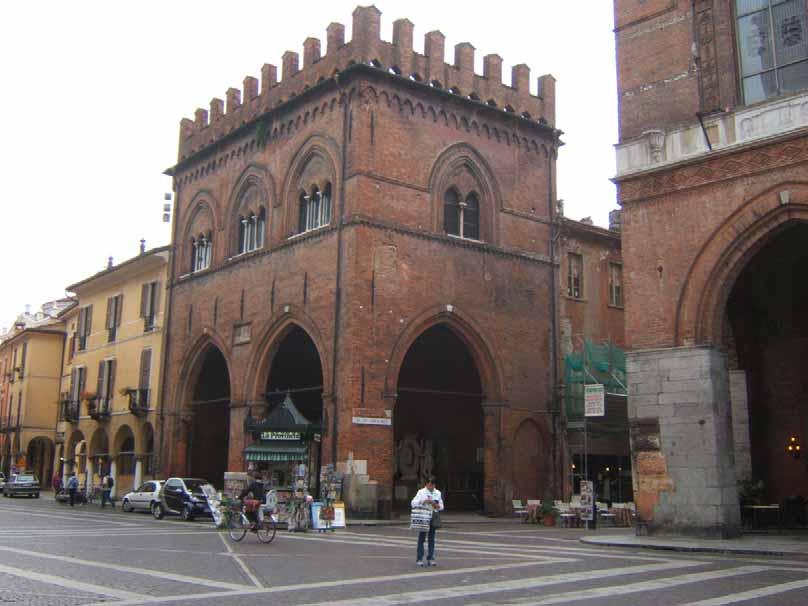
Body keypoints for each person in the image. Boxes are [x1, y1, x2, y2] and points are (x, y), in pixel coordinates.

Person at [411, 475, 444, 567]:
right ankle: (419, 558)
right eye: (429, 485)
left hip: (433, 516)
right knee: (421, 538)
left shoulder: (438, 493)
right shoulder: (421, 492)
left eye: (432, 485)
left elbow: (441, 507)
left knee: (431, 539)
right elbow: (413, 503)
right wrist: (423, 501)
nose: (430, 487)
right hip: (423, 516)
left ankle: (431, 558)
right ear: (426, 484)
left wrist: (434, 503)